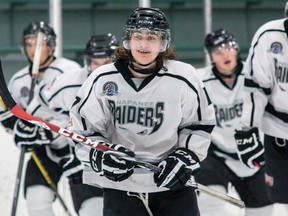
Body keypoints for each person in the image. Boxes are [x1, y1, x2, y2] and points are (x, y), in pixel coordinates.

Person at [69, 7, 215, 216]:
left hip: (172, 186)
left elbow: (199, 124)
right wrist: (101, 155)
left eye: (152, 37)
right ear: (128, 40)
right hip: (121, 187)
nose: (144, 44)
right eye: (138, 36)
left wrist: (184, 158)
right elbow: (83, 130)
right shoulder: (102, 78)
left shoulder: (184, 77)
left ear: (163, 42)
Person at [0, 21, 81, 216]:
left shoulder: (70, 71)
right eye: (29, 44)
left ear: (51, 45)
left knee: (92, 207)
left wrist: (51, 130)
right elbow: (14, 120)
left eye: (38, 43)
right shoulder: (19, 80)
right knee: (36, 200)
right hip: (43, 152)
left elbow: (82, 115)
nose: (32, 49)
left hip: (76, 151)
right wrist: (16, 126)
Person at [194, 29, 274, 216]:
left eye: (228, 48)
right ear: (211, 57)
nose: (225, 54)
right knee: (211, 200)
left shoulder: (256, 74)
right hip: (216, 153)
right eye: (217, 51)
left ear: (236, 49)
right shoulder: (200, 81)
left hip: (254, 151)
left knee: (262, 210)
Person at [41, 33, 119, 216]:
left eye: (106, 62)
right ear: (87, 63)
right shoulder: (68, 83)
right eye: (95, 63)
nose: (101, 69)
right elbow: (37, 108)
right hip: (84, 166)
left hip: (124, 170)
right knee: (93, 211)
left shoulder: (134, 82)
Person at [233, 15, 288, 212]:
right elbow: (257, 90)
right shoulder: (269, 35)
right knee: (277, 203)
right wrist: (248, 130)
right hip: (278, 137)